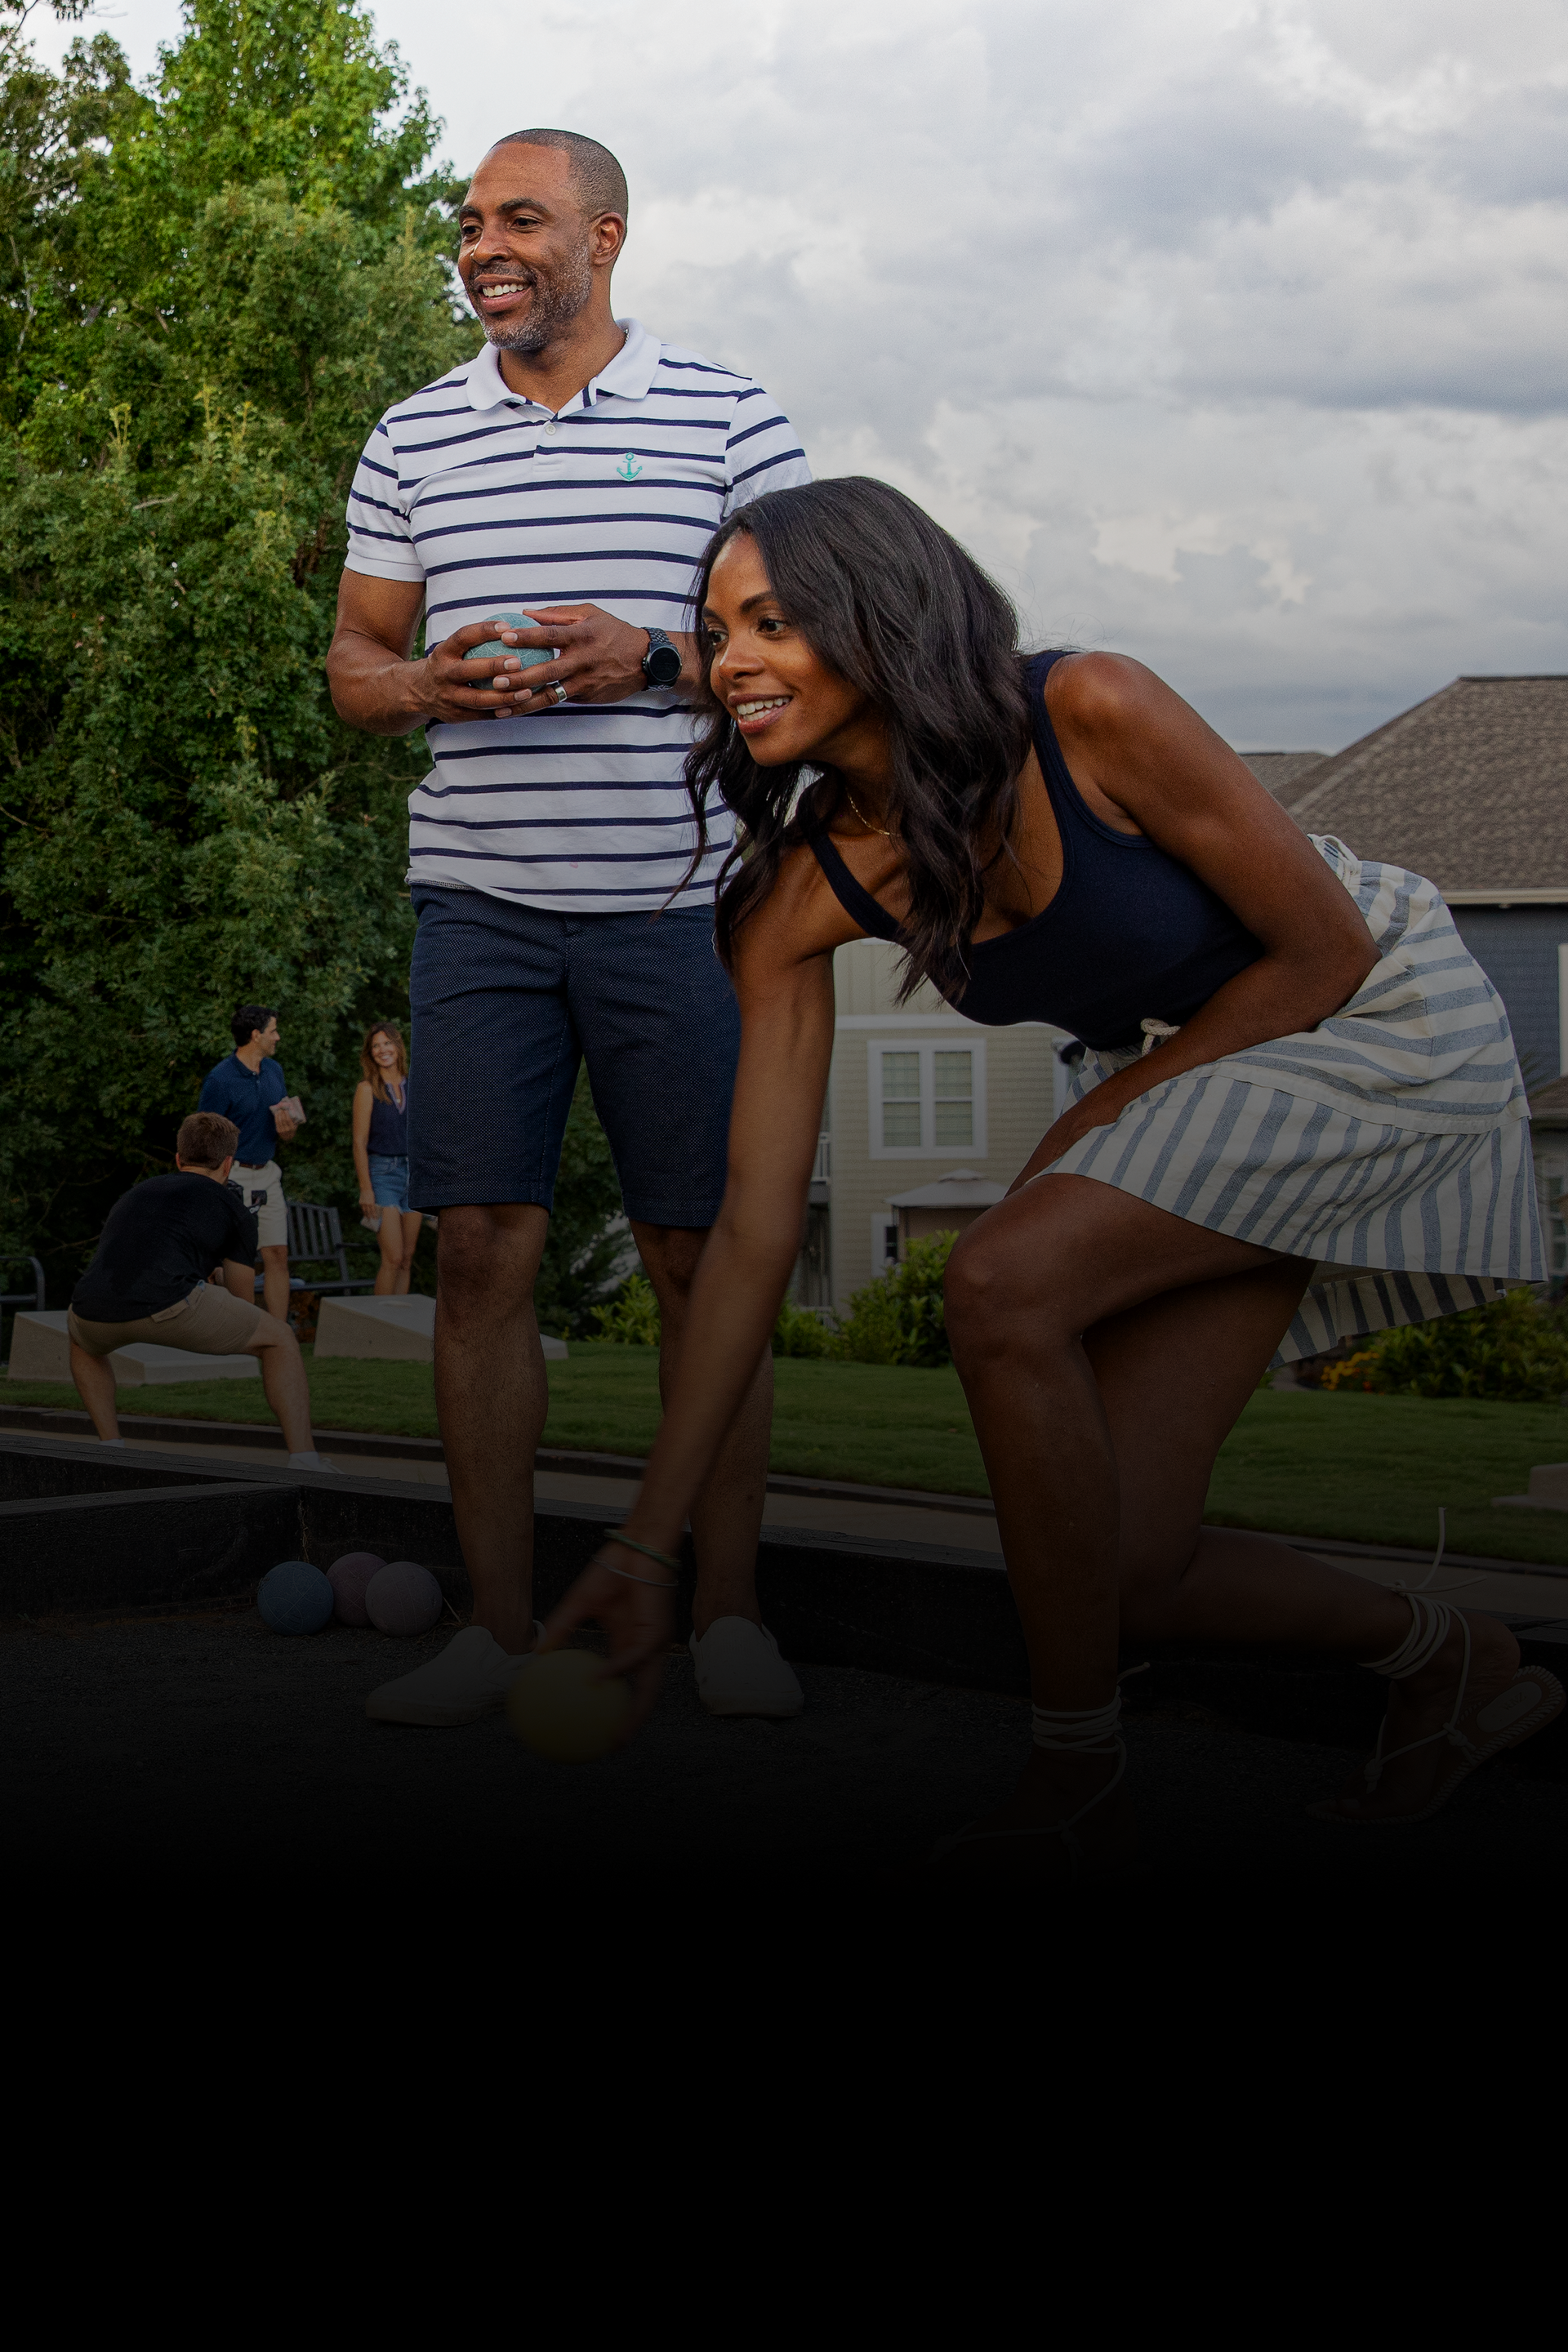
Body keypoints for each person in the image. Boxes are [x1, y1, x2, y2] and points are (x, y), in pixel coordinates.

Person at [541, 476, 1561, 1876]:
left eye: (771, 621)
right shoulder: (799, 898)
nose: (729, 665)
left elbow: (1320, 953)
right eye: (716, 633)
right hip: (1195, 1071)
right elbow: (754, 1240)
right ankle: (1458, 1658)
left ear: (880, 614)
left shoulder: (1091, 710)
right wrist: (649, 1543)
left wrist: (1084, 1132)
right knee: (1130, 1573)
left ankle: (1076, 1778)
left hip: (1369, 1011)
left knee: (1004, 1278)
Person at [327, 127, 813, 1730]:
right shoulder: (411, 436)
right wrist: (423, 686)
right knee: (478, 1251)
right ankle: (498, 1630)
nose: (483, 246)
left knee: (699, 1262)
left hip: (686, 913)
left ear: (607, 235)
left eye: (518, 220)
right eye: (470, 224)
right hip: (479, 905)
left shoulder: (729, 415)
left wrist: (658, 662)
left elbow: (817, 653)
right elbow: (352, 668)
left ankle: (727, 1614)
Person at [68, 1113, 337, 1471]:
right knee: (280, 1339)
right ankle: (305, 1459)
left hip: (90, 1310)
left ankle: (112, 1449)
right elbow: (244, 1304)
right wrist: (219, 1279)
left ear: (179, 1159)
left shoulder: (138, 1192)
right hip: (170, 1305)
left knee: (82, 1344)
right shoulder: (233, 1207)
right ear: (228, 1165)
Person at [198, 1006, 298, 1320]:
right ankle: (241, 1329)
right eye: (273, 1031)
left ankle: (279, 1334)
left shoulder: (275, 1071)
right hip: (231, 1175)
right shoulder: (220, 1079)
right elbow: (205, 1137)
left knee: (277, 1255)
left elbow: (285, 1128)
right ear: (256, 1036)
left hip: (267, 1173)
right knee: (237, 1260)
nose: (278, 1037)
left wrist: (289, 1129)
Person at [352, 1022, 417, 1294]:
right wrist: (366, 1188)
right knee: (392, 1258)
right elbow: (359, 1142)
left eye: (387, 1043)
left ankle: (399, 1328)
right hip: (382, 1174)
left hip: (414, 1175)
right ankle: (379, 1330)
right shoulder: (367, 1089)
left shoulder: (415, 1085)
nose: (383, 1050)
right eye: (376, 1045)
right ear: (370, 1053)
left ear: (398, 1047)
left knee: (406, 1260)